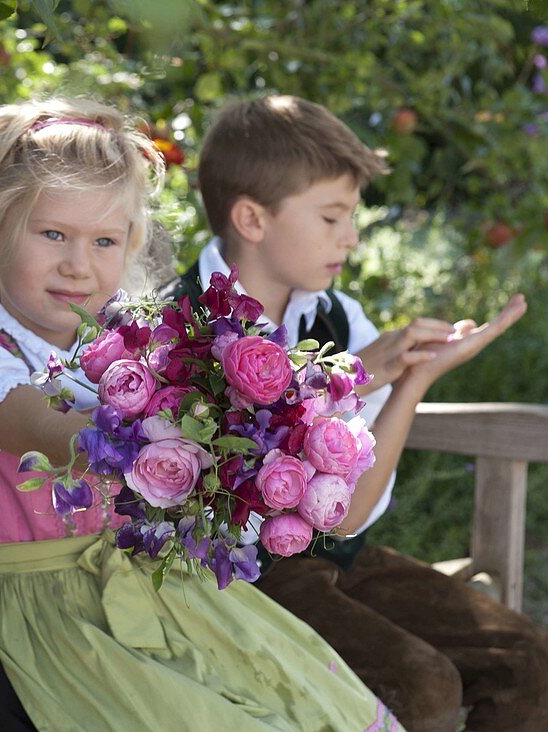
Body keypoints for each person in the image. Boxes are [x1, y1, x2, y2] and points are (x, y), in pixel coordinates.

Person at [0, 98, 403, 730]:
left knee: (311, 705)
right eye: (53, 234)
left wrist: (267, 437)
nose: (78, 264)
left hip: (158, 595)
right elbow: (54, 433)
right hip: (47, 628)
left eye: (104, 240)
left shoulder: (122, 346)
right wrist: (194, 432)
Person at [158, 94, 545, 731]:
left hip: (339, 554)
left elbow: (350, 516)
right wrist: (354, 374)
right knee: (421, 687)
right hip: (238, 579)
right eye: (333, 216)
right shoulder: (183, 331)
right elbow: (236, 506)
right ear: (252, 219)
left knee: (528, 658)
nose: (351, 236)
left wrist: (412, 379)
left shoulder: (334, 316)